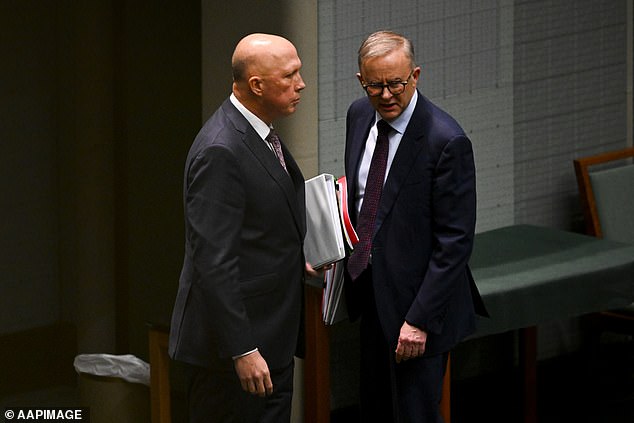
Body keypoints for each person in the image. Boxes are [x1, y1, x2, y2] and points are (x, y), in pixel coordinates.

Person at [168, 33, 320, 423]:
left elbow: (261, 225)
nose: (301, 84)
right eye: (290, 76)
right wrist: (243, 349)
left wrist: (296, 257)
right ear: (257, 85)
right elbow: (213, 263)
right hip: (234, 355)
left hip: (271, 338)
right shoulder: (221, 149)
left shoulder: (260, 131)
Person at [343, 30, 488, 423]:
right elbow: (363, 205)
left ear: (416, 76)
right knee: (374, 410)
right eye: (375, 85)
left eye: (396, 83)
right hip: (371, 296)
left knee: (414, 415)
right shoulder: (358, 116)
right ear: (361, 81)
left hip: (419, 309)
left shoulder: (446, 140)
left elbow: (454, 242)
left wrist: (419, 319)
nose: (387, 95)